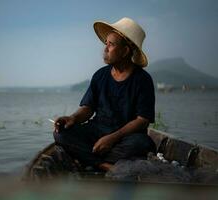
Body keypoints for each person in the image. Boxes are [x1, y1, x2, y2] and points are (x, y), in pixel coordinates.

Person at [53, 17, 156, 171]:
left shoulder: (142, 79)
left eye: (111, 44)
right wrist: (72, 118)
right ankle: (104, 165)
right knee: (62, 134)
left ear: (125, 51)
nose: (105, 49)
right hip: (97, 131)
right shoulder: (100, 75)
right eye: (105, 44)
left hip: (125, 137)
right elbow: (88, 108)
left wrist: (112, 138)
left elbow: (142, 121)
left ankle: (87, 159)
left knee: (142, 144)